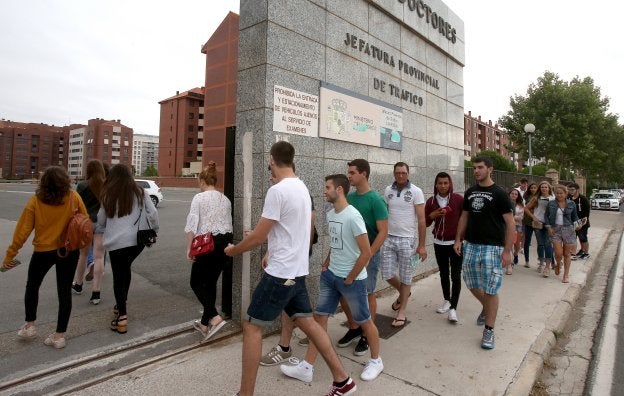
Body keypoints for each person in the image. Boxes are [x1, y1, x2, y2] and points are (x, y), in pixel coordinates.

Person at [224, 141, 356, 396]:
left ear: (272, 160)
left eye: (269, 162)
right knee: (308, 323)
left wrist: (235, 249)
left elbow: (259, 237)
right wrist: (273, 245)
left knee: (252, 326)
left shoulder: (278, 191)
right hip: (296, 270)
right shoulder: (302, 188)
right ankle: (343, 381)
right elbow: (294, 230)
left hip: (281, 273)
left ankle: (245, 394)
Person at [280, 174, 384, 383]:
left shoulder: (353, 217)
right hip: (331, 276)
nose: (324, 191)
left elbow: (366, 252)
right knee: (319, 319)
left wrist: (350, 277)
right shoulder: (330, 214)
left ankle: (376, 361)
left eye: (327, 187)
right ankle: (307, 367)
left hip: (352, 279)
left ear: (339, 190)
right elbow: (337, 242)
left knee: (364, 321)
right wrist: (328, 261)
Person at [3, 166, 88, 349]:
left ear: (44, 182)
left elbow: (22, 231)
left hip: (43, 251)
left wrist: (10, 254)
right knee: (64, 292)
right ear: (65, 181)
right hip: (68, 249)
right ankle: (59, 336)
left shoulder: (36, 200)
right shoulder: (74, 197)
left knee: (33, 286)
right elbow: (85, 222)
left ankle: (29, 325)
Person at [453, 156, 515, 350]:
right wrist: (458, 239)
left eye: (480, 167)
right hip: (471, 245)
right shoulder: (470, 192)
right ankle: (487, 307)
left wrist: (507, 251)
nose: (476, 171)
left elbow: (511, 223)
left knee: (491, 288)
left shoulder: (500, 194)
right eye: (474, 168)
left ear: (490, 169)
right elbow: (464, 216)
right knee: (470, 282)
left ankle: (489, 330)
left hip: (493, 247)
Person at [260, 167, 317, 366]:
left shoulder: (293, 191)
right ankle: (312, 339)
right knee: (298, 306)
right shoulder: (291, 190)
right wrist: (270, 252)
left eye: (272, 170)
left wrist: (303, 255)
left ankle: (285, 346)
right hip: (290, 262)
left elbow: (309, 223)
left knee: (261, 320)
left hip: (291, 265)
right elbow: (281, 230)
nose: (270, 175)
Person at [96, 164, 159, 334]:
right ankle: (120, 303)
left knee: (119, 275)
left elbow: (101, 220)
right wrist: (155, 229)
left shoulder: (108, 193)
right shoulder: (140, 192)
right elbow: (153, 213)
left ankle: (122, 316)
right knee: (125, 270)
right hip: (136, 243)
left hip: (116, 244)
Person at [336, 159, 388, 357]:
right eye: (348, 173)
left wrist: (370, 255)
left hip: (369, 256)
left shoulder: (376, 200)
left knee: (367, 294)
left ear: (364, 174)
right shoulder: (349, 197)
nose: (349, 176)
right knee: (343, 293)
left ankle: (367, 334)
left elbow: (383, 231)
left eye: (352, 173)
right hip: (349, 255)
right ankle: (355, 327)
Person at [185, 161, 232, 341]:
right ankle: (205, 324)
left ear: (203, 180)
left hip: (207, 244)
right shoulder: (225, 199)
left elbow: (192, 225)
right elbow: (228, 224)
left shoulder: (199, 198)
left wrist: (189, 248)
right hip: (224, 245)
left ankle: (214, 317)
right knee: (210, 282)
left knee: (195, 282)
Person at [379, 162, 427, 328]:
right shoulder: (388, 190)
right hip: (389, 238)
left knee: (406, 276)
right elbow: (384, 214)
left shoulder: (416, 191)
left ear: (408, 173)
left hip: (407, 239)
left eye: (403, 173)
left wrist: (422, 245)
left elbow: (421, 220)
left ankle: (402, 311)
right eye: (398, 172)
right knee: (387, 273)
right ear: (394, 173)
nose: (400, 176)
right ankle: (404, 293)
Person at [425, 172, 463, 322]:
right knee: (443, 274)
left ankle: (453, 308)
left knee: (455, 275)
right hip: (439, 243)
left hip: (456, 244)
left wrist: (460, 239)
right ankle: (447, 300)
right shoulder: (431, 201)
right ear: (436, 185)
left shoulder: (458, 200)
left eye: (445, 183)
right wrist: (432, 215)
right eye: (440, 183)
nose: (443, 186)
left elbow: (465, 220)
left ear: (450, 184)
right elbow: (426, 222)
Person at [71, 159, 106, 304]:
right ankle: (96, 293)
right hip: (102, 223)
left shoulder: (82, 185)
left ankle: (78, 285)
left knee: (83, 255)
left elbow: (76, 206)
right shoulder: (106, 185)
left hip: (86, 223)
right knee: (99, 257)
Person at [544, 185, 579, 283]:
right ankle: (558, 263)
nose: (559, 195)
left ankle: (566, 275)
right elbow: (546, 216)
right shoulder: (551, 203)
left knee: (567, 254)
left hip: (568, 229)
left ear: (565, 193)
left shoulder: (571, 203)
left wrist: (578, 225)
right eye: (557, 193)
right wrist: (548, 227)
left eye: (561, 193)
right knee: (558, 253)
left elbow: (575, 217)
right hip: (555, 230)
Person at [525, 181, 555, 276]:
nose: (544, 188)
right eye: (542, 187)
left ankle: (547, 267)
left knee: (548, 244)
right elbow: (526, 208)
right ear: (540, 189)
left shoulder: (553, 199)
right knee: (540, 244)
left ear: (549, 188)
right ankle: (541, 263)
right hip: (538, 223)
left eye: (546, 187)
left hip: (549, 224)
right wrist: (534, 217)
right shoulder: (536, 198)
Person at [567, 183, 591, 260]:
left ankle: (586, 253)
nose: (571, 191)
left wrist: (580, 223)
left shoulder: (583, 199)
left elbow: (586, 214)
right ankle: (577, 252)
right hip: (572, 222)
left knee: (583, 238)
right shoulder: (568, 198)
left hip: (582, 221)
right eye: (569, 189)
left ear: (577, 190)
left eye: (572, 189)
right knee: (573, 238)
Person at [521, 182, 539, 268]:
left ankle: (541, 260)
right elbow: (524, 208)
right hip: (528, 221)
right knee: (527, 241)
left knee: (541, 242)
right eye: (531, 188)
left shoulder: (540, 197)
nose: (533, 189)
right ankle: (527, 261)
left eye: (535, 188)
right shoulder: (525, 197)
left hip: (537, 221)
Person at [509, 188, 525, 274]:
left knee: (517, 244)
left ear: (518, 196)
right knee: (510, 243)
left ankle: (515, 254)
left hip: (518, 226)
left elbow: (521, 217)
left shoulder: (520, 206)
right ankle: (510, 260)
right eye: (512, 193)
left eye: (516, 194)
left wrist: (511, 217)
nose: (514, 195)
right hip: (508, 226)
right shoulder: (506, 203)